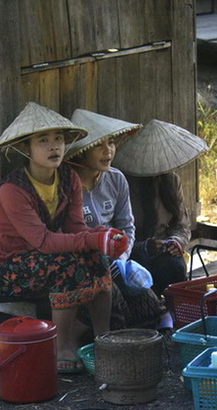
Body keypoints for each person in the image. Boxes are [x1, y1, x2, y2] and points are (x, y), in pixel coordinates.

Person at [0, 102, 129, 374]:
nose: (54, 147)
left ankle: (104, 339)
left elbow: (75, 227)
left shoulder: (69, 179)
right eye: (43, 141)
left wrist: (102, 235)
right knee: (65, 263)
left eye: (59, 139)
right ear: (26, 149)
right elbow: (44, 242)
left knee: (96, 257)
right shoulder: (12, 190)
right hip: (7, 267)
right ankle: (62, 346)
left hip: (44, 257)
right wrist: (92, 240)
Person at [65, 109, 170, 330]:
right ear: (82, 152)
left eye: (111, 143)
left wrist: (122, 256)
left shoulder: (116, 179)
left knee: (149, 305)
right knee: (116, 302)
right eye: (98, 145)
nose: (108, 151)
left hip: (116, 257)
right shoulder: (66, 186)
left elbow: (126, 226)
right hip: (84, 262)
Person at [114, 119, 208, 296]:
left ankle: (173, 316)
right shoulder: (122, 182)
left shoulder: (170, 181)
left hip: (163, 250)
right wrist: (144, 246)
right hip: (132, 252)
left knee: (174, 267)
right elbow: (117, 233)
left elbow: (181, 224)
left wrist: (175, 242)